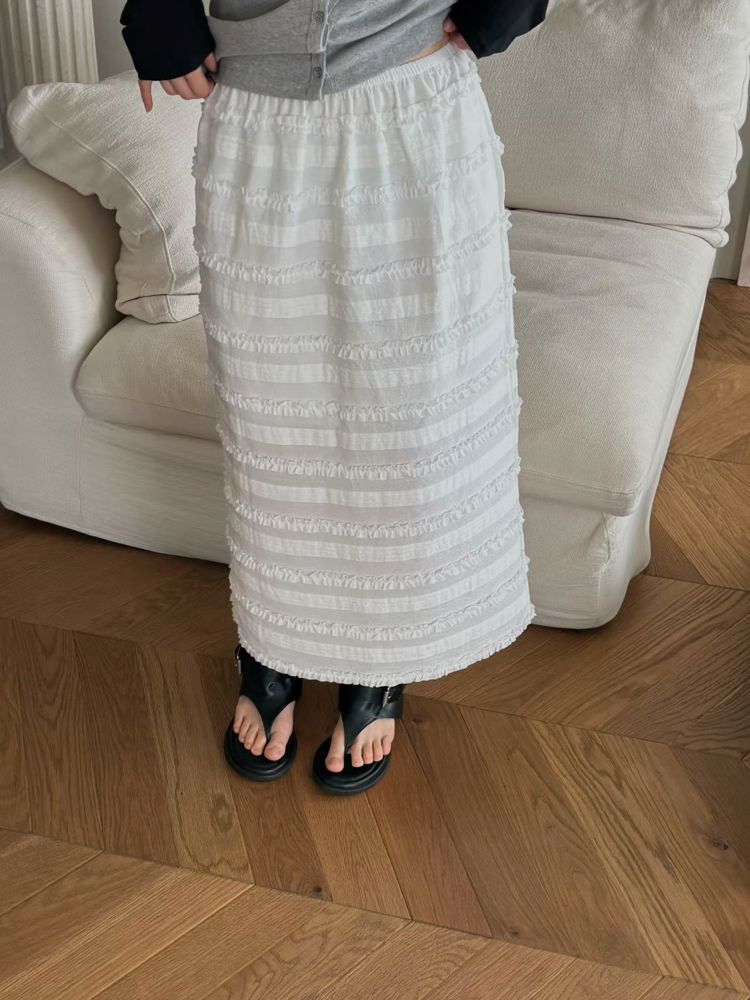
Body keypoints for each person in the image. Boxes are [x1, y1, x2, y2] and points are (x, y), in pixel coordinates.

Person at [120, 0, 547, 796]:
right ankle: (273, 646)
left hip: (414, 101)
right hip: (258, 115)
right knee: (273, 428)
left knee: (408, 425)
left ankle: (381, 657)